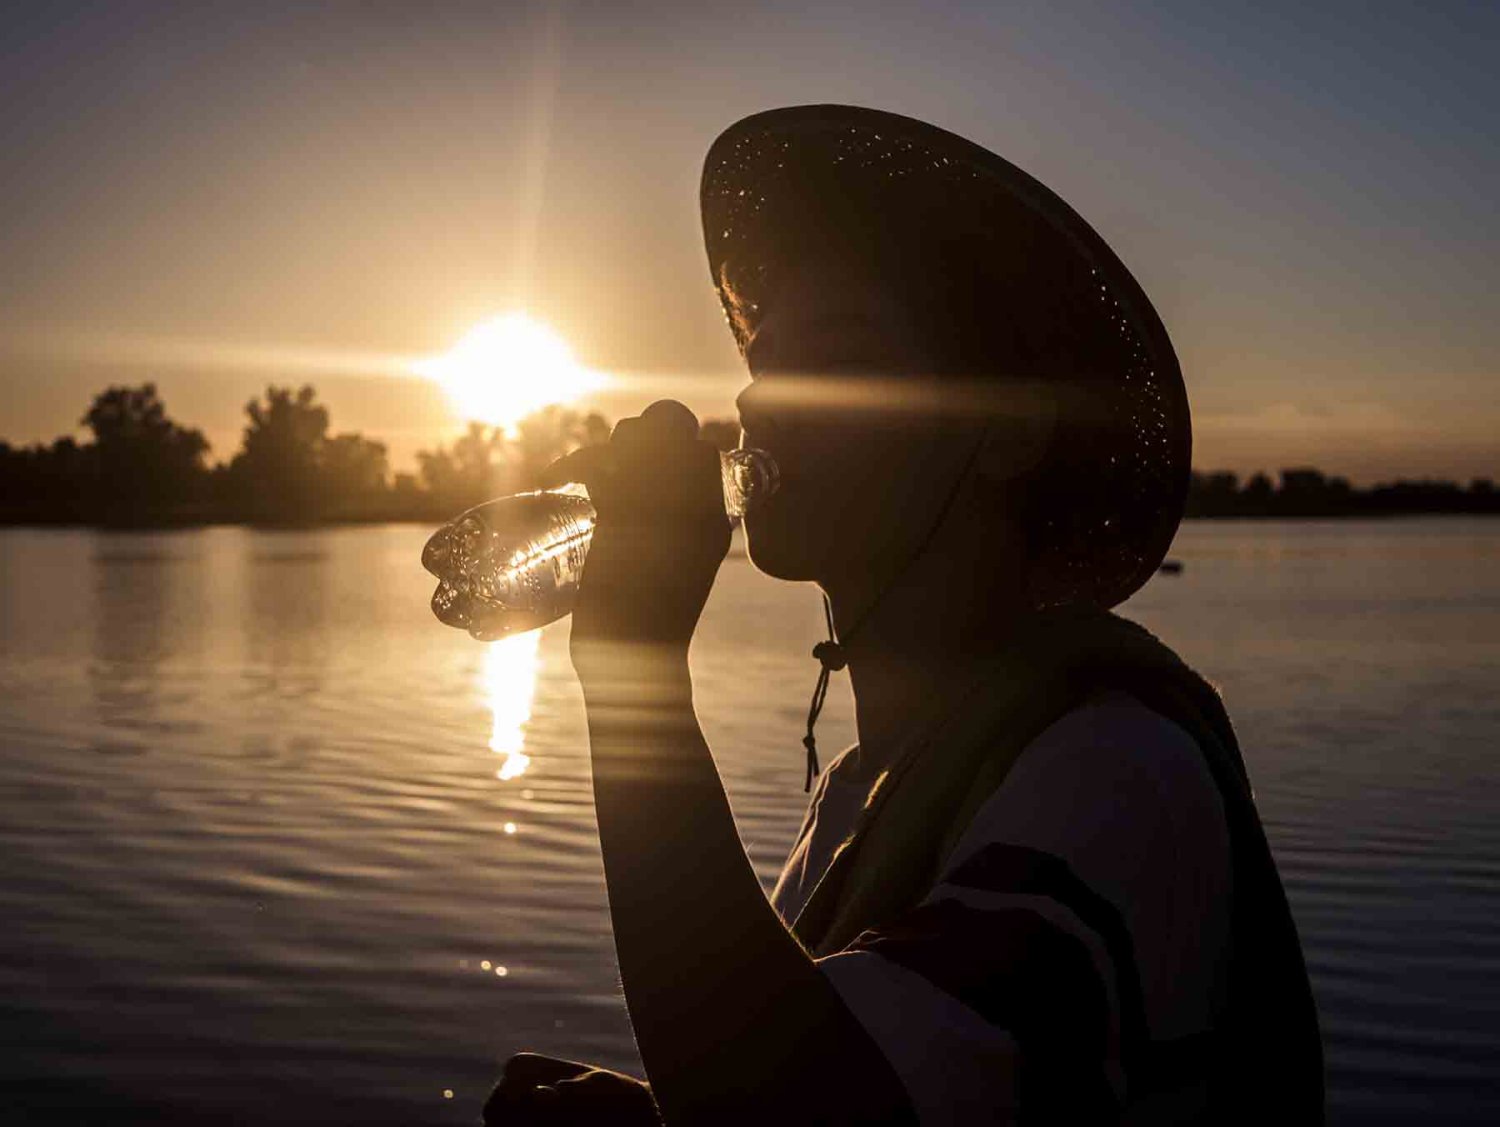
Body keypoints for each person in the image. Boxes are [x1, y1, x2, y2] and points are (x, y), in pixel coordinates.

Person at [483, 105, 1322, 1125]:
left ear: (1008, 432)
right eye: (762, 360)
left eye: (831, 358)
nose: (753, 404)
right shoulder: (860, 792)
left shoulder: (1120, 767)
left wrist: (634, 677)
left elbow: (807, 1109)